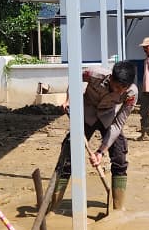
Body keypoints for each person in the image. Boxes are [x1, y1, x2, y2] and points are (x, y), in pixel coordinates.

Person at [50, 61, 138, 211]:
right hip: (86, 115)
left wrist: (100, 151)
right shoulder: (94, 74)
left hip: (108, 118)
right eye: (116, 87)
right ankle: (54, 204)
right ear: (111, 78)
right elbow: (75, 79)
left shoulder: (131, 94)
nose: (119, 92)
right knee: (68, 155)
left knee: (119, 157)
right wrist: (69, 99)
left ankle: (117, 207)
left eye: (123, 89)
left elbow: (118, 125)